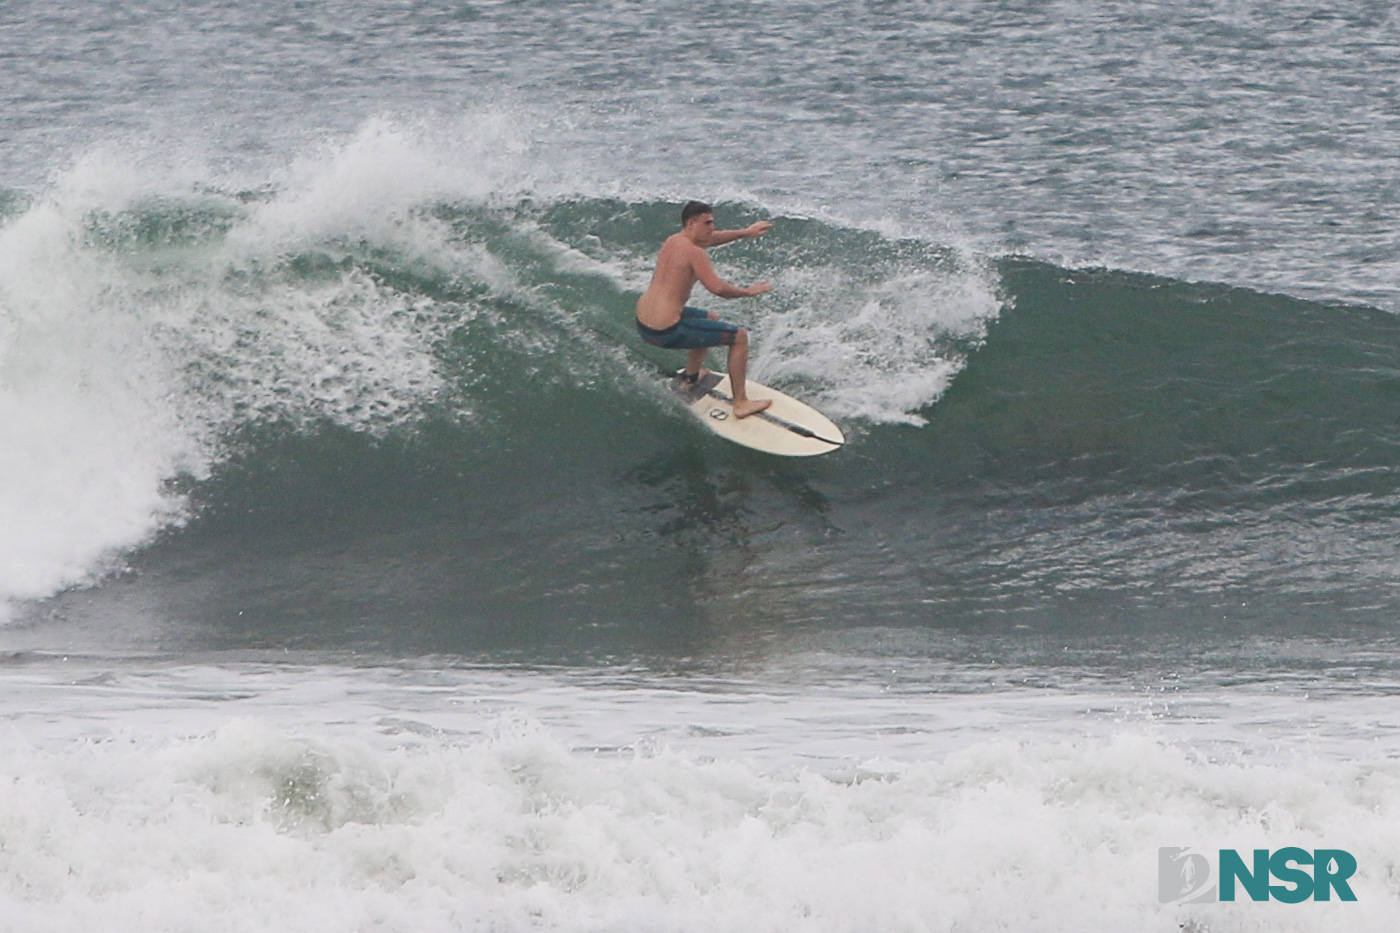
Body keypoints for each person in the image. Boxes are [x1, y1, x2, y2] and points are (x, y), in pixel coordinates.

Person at [636, 201, 774, 418]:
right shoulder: (695, 252)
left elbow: (712, 239)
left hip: (644, 323)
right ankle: (741, 403)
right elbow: (718, 288)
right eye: (708, 223)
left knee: (709, 319)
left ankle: (690, 379)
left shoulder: (674, 241)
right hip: (666, 331)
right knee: (739, 337)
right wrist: (748, 291)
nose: (712, 227)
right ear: (692, 223)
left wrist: (745, 232)